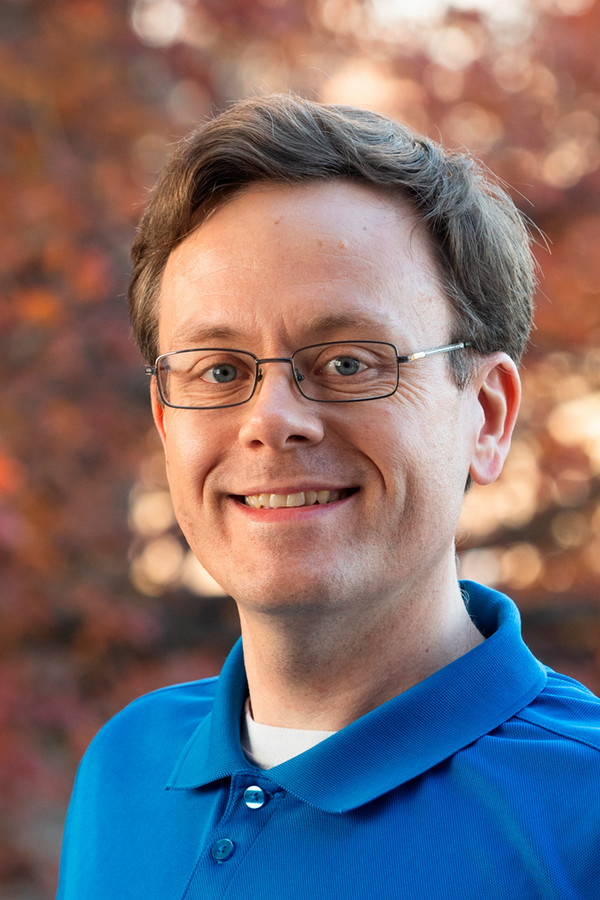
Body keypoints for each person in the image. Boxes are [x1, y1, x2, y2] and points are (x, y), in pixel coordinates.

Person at [56, 94, 600, 899]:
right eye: (219, 371)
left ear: (485, 417)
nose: (270, 421)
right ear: (167, 424)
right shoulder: (125, 767)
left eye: (349, 362)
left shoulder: (581, 816)